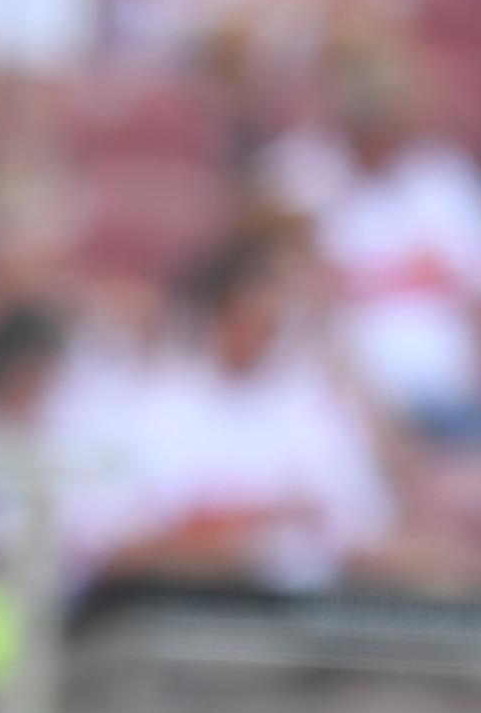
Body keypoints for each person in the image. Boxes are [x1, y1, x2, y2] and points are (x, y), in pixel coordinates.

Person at [95, 230, 396, 591]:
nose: (261, 334)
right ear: (217, 316)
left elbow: (357, 532)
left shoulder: (311, 407)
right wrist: (236, 534)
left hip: (296, 611)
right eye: (250, 318)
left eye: (271, 323)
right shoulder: (153, 408)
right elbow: (119, 547)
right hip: (177, 606)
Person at [264, 43, 481, 439]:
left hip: (448, 403)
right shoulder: (294, 178)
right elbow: (265, 297)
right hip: (333, 411)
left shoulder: (448, 179)